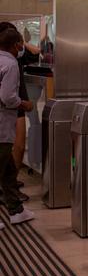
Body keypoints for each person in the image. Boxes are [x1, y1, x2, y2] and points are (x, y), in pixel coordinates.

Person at [0, 28, 35, 226]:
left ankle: (16, 210)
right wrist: (25, 104)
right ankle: (15, 209)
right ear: (15, 45)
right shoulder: (11, 64)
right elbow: (7, 98)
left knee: (8, 170)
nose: (22, 47)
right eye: (20, 44)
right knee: (3, 166)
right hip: (2, 126)